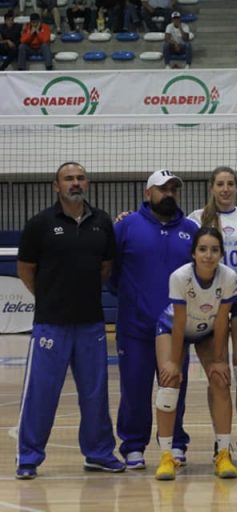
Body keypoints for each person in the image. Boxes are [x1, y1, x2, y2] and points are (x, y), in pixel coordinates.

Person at [15, 162, 124, 480]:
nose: (75, 183)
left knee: (95, 393)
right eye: (68, 179)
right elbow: (25, 269)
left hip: (91, 323)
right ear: (56, 185)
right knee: (41, 393)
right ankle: (29, 457)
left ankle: (99, 453)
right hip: (51, 324)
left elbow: (106, 267)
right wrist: (49, 297)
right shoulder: (40, 224)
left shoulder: (102, 222)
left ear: (86, 183)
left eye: (80, 178)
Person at [111, 169, 199, 470]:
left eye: (174, 188)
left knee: (174, 386)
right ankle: (133, 446)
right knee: (134, 390)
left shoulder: (190, 229)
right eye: (163, 189)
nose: (169, 194)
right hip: (134, 327)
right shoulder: (126, 227)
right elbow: (111, 272)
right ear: (148, 194)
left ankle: (174, 442)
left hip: (175, 329)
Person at [153, 227, 237, 481]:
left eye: (214, 250)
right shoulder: (180, 277)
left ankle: (223, 453)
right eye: (203, 249)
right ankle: (167, 456)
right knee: (168, 383)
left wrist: (221, 360)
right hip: (172, 329)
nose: (208, 255)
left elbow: (223, 321)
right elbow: (179, 324)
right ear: (193, 253)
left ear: (222, 254)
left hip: (208, 330)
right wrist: (173, 362)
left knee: (221, 381)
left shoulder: (228, 277)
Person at [188, 167, 237, 466]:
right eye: (220, 184)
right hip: (209, 304)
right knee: (217, 376)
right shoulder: (196, 219)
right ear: (212, 187)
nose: (226, 189)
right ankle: (221, 443)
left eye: (230, 184)